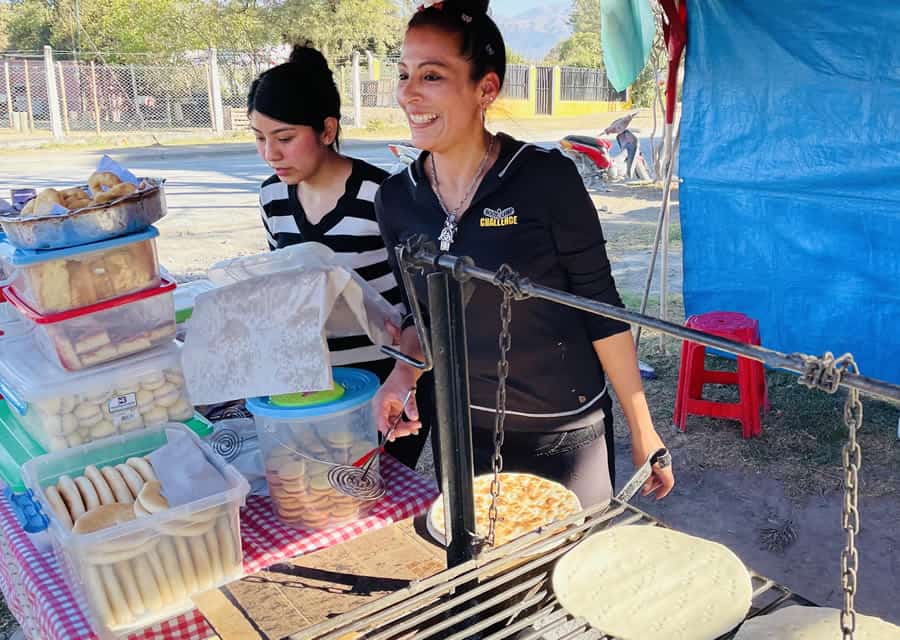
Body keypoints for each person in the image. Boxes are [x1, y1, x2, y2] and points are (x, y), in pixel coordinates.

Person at [373, 0, 674, 505]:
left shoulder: (543, 178)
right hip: (463, 427)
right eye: (404, 74)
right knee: (476, 577)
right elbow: (421, 320)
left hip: (563, 428)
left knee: (569, 571)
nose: (408, 93)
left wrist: (643, 430)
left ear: (485, 89)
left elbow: (601, 308)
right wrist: (401, 374)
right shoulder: (397, 200)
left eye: (431, 76)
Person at [247, 45, 433, 469]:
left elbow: (423, 307)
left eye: (285, 138)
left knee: (373, 499)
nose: (270, 154)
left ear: (327, 130)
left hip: (385, 388)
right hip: (312, 392)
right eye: (259, 138)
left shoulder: (384, 196)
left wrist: (403, 378)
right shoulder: (271, 197)